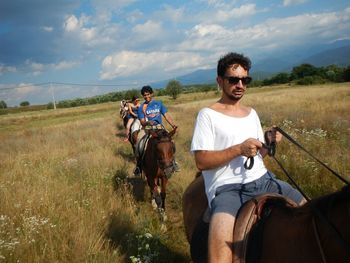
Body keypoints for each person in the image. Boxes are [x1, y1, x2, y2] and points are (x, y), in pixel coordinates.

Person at [190, 52, 306, 263]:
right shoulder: (207, 115)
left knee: (311, 214)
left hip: (264, 180)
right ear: (220, 81)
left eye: (245, 80)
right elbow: (201, 161)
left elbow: (257, 157)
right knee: (220, 259)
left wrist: (268, 142)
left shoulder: (251, 113)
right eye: (233, 79)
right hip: (227, 190)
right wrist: (238, 149)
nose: (240, 84)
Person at [133, 85, 179, 176]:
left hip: (160, 128)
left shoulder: (159, 104)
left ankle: (173, 162)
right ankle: (138, 166)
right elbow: (142, 122)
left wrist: (173, 125)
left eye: (148, 94)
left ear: (152, 94)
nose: (146, 96)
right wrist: (147, 123)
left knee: (171, 142)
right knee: (139, 144)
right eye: (144, 95)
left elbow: (166, 115)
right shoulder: (142, 107)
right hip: (147, 129)